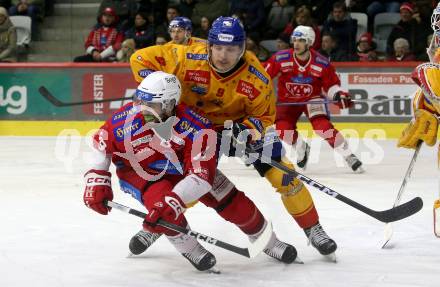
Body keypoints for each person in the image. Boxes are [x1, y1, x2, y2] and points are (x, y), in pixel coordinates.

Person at [129, 16, 337, 258]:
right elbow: (138, 58)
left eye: (231, 49)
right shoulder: (185, 56)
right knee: (191, 182)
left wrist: (247, 130)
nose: (223, 56)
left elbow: (265, 117)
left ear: (242, 48)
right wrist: (159, 86)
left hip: (237, 128)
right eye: (217, 48)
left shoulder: (257, 77)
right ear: (208, 46)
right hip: (196, 130)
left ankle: (314, 229)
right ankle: (161, 223)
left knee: (285, 176)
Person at [83, 71, 297, 271]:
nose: (142, 109)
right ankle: (192, 249)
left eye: (151, 104)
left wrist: (175, 201)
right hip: (141, 173)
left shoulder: (198, 126)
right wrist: (96, 179)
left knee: (234, 203)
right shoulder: (125, 120)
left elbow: (201, 177)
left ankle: (269, 242)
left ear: (169, 104)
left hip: (187, 171)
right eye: (140, 102)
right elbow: (101, 143)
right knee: (162, 209)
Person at [264, 25, 364, 173]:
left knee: (323, 128)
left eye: (301, 40)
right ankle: (301, 147)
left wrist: (339, 95)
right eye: (295, 40)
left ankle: (348, 155)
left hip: (312, 100)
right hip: (288, 101)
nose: (296, 43)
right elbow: (262, 77)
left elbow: (331, 86)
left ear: (309, 42)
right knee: (282, 129)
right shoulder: (280, 58)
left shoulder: (321, 62)